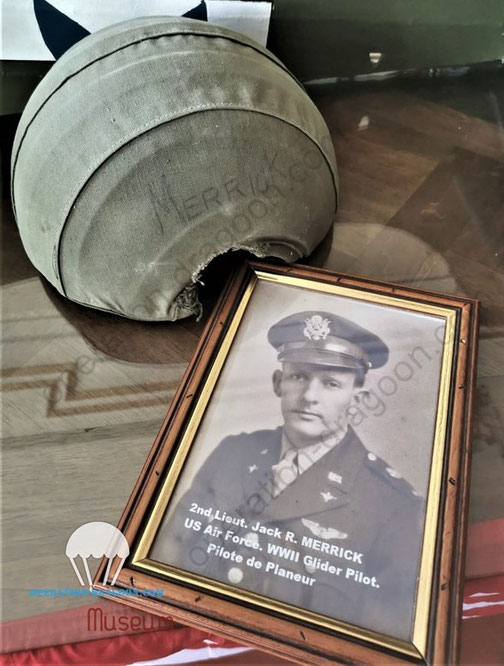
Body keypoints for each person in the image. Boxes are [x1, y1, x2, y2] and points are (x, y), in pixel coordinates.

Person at [151, 311, 425, 640]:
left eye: (331, 383)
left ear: (358, 400)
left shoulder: (393, 504)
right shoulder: (233, 453)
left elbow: (380, 632)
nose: (310, 395)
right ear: (278, 383)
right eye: (298, 377)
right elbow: (171, 550)